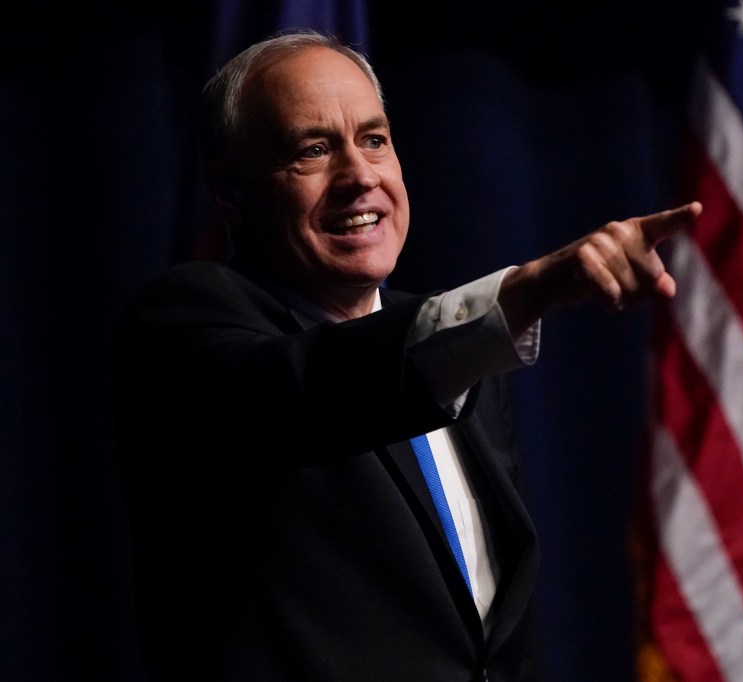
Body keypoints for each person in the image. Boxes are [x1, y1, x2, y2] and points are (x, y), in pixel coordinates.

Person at [114, 29, 701, 682]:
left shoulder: (460, 356)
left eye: (373, 139)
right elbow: (304, 392)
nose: (359, 176)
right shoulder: (185, 324)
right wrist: (523, 291)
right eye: (313, 149)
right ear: (231, 193)